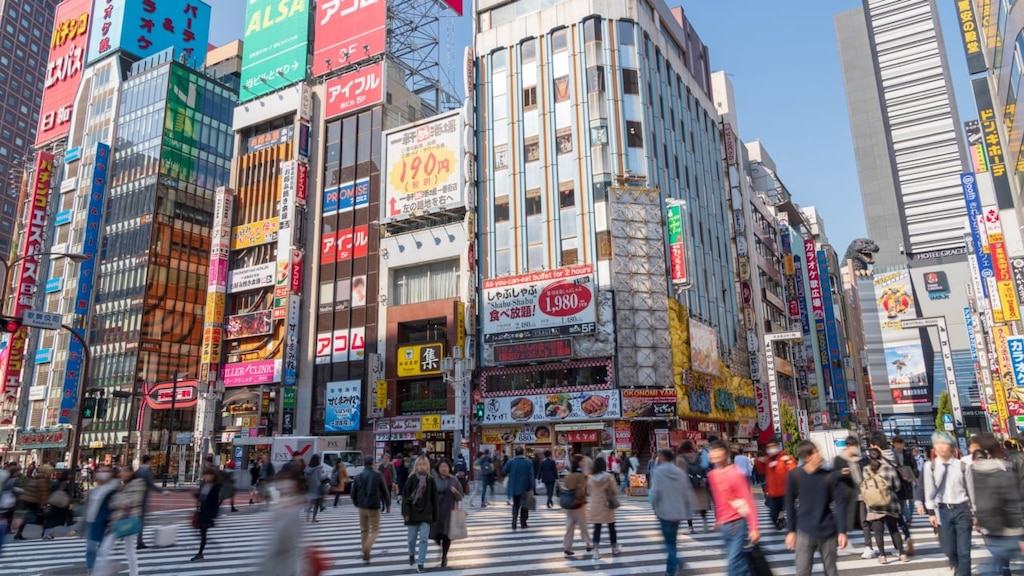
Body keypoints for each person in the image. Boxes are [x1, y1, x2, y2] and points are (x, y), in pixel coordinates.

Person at [784, 440, 847, 576]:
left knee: (831, 571)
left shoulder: (829, 475)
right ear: (806, 457)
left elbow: (840, 503)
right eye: (816, 452)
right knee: (802, 571)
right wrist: (791, 531)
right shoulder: (795, 475)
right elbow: (789, 503)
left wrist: (842, 531)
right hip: (804, 531)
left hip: (828, 531)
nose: (820, 455)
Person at [969, 433, 1024, 575]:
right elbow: (1012, 500)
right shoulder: (1003, 468)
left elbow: (977, 498)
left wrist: (978, 517)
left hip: (991, 527)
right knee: (1000, 564)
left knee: (999, 564)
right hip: (1008, 527)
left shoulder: (976, 470)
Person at [924, 430, 972, 576]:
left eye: (943, 443)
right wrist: (931, 512)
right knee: (949, 549)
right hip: (943, 510)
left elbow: (971, 491)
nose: (940, 447)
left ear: (951, 447)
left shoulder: (963, 466)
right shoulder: (930, 467)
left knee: (964, 550)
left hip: (962, 509)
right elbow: (929, 490)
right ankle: (957, 566)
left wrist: (975, 513)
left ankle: (963, 573)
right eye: (937, 443)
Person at [707, 440, 760, 575]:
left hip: (738, 523)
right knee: (739, 562)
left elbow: (748, 499)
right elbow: (718, 500)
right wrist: (718, 518)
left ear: (725, 453)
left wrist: (754, 528)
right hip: (725, 525)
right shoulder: (712, 475)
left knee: (733, 563)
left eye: (717, 451)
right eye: (712, 451)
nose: (713, 454)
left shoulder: (735, 473)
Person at [650, 448, 695, 576]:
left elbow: (655, 492)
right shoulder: (679, 472)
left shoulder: (658, 472)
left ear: (663, 458)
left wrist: (653, 504)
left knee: (667, 543)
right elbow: (687, 491)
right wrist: (689, 509)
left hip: (664, 511)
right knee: (672, 542)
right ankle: (670, 571)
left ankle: (678, 562)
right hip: (678, 511)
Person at [96, 465, 146, 576]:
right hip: (122, 519)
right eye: (120, 472)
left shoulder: (137, 484)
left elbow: (126, 502)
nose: (120, 474)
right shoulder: (123, 485)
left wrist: (117, 502)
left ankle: (103, 571)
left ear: (130, 473)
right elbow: (116, 502)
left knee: (107, 548)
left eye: (123, 472)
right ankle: (133, 573)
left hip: (126, 520)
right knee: (128, 550)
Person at [834, 434, 875, 558]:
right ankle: (841, 544)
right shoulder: (839, 460)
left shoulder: (861, 459)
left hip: (862, 495)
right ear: (848, 446)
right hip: (846, 496)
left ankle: (869, 547)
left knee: (864, 522)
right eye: (854, 447)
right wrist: (840, 473)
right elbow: (833, 476)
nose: (856, 449)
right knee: (843, 521)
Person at [863, 447, 906, 564]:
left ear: (869, 457)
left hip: (874, 505)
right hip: (890, 503)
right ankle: (902, 554)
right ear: (881, 457)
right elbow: (897, 486)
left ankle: (882, 556)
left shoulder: (865, 470)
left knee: (878, 532)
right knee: (894, 529)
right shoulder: (889, 469)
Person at [870, 432, 913, 549]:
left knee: (887, 523)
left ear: (876, 445)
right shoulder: (892, 454)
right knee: (899, 518)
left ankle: (897, 548)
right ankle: (907, 538)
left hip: (886, 493)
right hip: (898, 490)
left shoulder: (878, 458)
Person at [403, 455, 438, 573]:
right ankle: (411, 554)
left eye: (424, 464)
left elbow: (435, 499)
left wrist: (435, 517)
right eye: (419, 464)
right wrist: (406, 513)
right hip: (412, 514)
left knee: (423, 539)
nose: (422, 467)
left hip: (426, 514)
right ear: (416, 466)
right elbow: (405, 498)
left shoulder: (431, 480)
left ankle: (421, 563)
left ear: (427, 466)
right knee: (411, 540)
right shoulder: (411, 479)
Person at [755, 437, 797, 530]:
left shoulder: (785, 458)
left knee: (791, 511)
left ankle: (793, 527)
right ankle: (779, 521)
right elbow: (760, 471)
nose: (771, 449)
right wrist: (758, 461)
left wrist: (789, 461)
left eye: (773, 446)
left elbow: (793, 470)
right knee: (773, 514)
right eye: (769, 447)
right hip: (773, 493)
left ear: (777, 446)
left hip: (786, 491)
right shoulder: (767, 460)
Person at [352, 456, 388, 563]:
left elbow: (353, 494)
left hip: (362, 506)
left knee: (364, 530)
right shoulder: (377, 475)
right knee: (375, 530)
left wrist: (357, 503)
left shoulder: (358, 476)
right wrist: (388, 503)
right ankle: (366, 548)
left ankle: (366, 553)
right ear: (372, 463)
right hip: (373, 506)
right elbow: (384, 491)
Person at [430, 459, 464, 568]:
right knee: (436, 534)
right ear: (438, 469)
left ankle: (444, 556)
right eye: (441, 467)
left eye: (445, 466)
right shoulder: (434, 480)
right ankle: (437, 541)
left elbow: (460, 496)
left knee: (446, 536)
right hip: (436, 511)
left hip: (448, 511)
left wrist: (455, 492)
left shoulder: (454, 480)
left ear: (449, 468)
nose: (443, 469)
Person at [84, 465, 117, 576]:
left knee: (102, 550)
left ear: (111, 473)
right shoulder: (96, 488)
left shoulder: (113, 488)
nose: (102, 473)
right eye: (100, 471)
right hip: (91, 521)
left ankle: (101, 570)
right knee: (91, 549)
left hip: (105, 523)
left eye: (106, 471)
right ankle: (91, 571)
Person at [587, 456, 621, 559]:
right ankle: (614, 547)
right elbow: (615, 491)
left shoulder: (590, 478)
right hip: (606, 505)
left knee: (597, 528)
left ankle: (596, 550)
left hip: (595, 505)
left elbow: (588, 492)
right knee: (611, 527)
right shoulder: (608, 477)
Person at [676, 441, 711, 534]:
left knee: (688, 506)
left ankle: (691, 527)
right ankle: (705, 525)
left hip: (687, 484)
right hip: (699, 483)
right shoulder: (697, 456)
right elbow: (703, 467)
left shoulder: (680, 458)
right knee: (702, 504)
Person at [561, 453, 592, 557]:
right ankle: (588, 544)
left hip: (569, 504)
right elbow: (581, 489)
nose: (583, 463)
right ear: (579, 463)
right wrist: (579, 499)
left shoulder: (568, 475)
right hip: (579, 503)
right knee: (583, 524)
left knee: (570, 525)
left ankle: (567, 546)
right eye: (582, 462)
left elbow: (566, 487)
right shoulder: (581, 476)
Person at [14, 463, 51, 540]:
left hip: (29, 500)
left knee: (36, 517)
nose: (50, 475)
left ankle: (19, 533)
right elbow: (43, 493)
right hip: (34, 501)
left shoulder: (37, 478)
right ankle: (45, 534)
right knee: (39, 517)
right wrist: (43, 504)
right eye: (49, 472)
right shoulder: (42, 480)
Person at [503, 446, 535, 530]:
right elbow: (531, 476)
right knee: (524, 506)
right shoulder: (528, 462)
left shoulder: (511, 462)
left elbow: (504, 471)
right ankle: (523, 523)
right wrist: (532, 488)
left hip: (514, 487)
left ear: (515, 453)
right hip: (525, 487)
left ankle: (514, 522)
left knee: (515, 505)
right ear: (523, 452)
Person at [41, 470, 73, 540]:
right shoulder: (66, 483)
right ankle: (70, 530)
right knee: (67, 517)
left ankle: (46, 533)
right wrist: (70, 503)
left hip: (55, 503)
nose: (70, 476)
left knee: (52, 519)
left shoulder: (56, 483)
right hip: (63, 504)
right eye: (69, 474)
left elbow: (51, 491)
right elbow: (68, 494)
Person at [304, 454, 327, 522]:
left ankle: (307, 517)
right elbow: (321, 478)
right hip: (317, 488)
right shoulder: (318, 469)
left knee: (310, 503)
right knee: (316, 504)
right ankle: (313, 518)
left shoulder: (307, 469)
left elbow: (305, 477)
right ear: (317, 460)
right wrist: (326, 474)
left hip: (310, 487)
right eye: (319, 459)